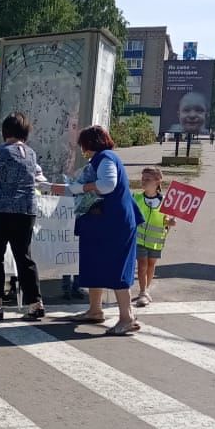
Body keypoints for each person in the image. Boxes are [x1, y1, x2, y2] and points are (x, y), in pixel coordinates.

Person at [52, 125, 143, 336]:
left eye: (82, 144)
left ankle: (127, 317)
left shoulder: (106, 158)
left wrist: (81, 188)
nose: (82, 149)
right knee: (94, 264)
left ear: (89, 143)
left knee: (116, 269)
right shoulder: (102, 158)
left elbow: (107, 184)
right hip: (102, 223)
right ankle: (95, 309)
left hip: (113, 223)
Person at [0, 112, 44, 321]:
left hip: (1, 210)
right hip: (26, 210)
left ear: (5, 131)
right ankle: (35, 303)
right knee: (24, 257)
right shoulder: (31, 154)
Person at [132, 167, 176, 307]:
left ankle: (146, 289)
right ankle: (143, 292)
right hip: (138, 240)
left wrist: (170, 222)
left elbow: (166, 220)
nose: (143, 182)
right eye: (142, 179)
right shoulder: (136, 197)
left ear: (158, 182)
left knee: (151, 265)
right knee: (142, 264)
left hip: (156, 241)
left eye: (148, 179)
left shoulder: (165, 201)